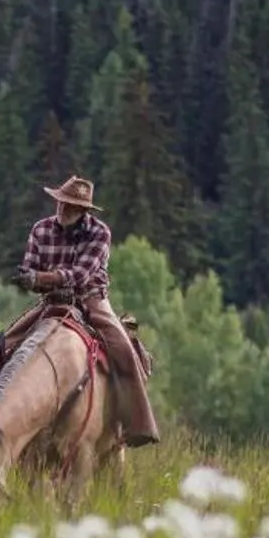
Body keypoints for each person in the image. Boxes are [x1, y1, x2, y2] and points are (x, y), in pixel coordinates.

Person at [12, 175, 159, 447]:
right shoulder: (40, 229)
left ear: (83, 211)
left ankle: (139, 423)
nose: (62, 209)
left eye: (69, 206)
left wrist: (40, 279)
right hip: (52, 302)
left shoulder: (100, 233)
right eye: (61, 203)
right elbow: (31, 265)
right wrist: (28, 279)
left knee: (123, 348)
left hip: (91, 300)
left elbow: (80, 275)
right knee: (7, 343)